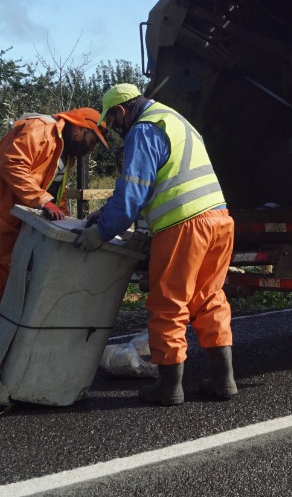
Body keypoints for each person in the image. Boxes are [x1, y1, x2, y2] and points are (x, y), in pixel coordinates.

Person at [74, 83, 236, 406]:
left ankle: (169, 387)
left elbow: (133, 195)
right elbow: (158, 183)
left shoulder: (143, 131)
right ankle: (223, 379)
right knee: (209, 299)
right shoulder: (174, 120)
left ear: (121, 111)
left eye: (114, 122)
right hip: (219, 219)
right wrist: (104, 212)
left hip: (185, 226)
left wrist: (100, 232)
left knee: (168, 302)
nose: (117, 130)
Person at [0, 107, 108, 392]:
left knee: (5, 295)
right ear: (80, 128)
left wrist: (63, 218)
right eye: (92, 142)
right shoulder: (41, 128)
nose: (90, 150)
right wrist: (43, 201)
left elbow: (52, 195)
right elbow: (13, 165)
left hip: (4, 227)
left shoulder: (62, 151)